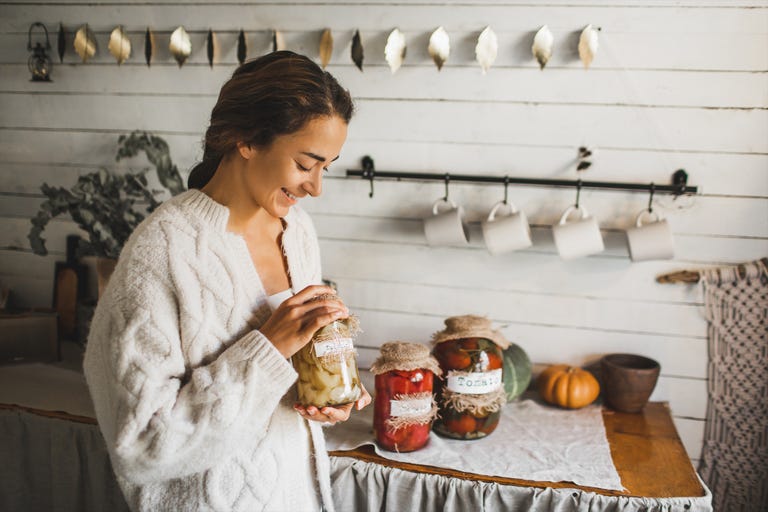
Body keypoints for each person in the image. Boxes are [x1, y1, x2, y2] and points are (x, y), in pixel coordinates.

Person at [83, 51, 370, 512]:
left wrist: (324, 391)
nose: (316, 187)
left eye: (326, 167)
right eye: (305, 163)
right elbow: (139, 445)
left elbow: (279, 383)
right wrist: (269, 348)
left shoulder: (298, 233)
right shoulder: (162, 249)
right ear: (246, 140)